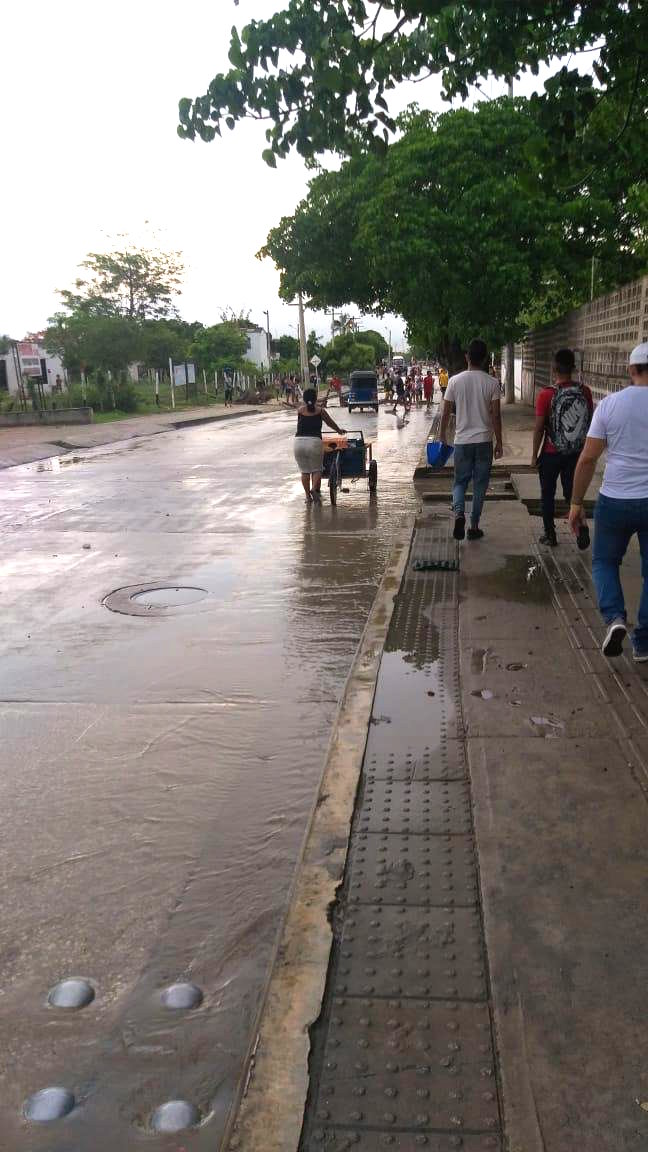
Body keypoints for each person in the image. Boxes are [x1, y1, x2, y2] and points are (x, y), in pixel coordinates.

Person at [568, 341, 648, 662]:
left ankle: (615, 618)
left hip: (614, 499)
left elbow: (587, 459)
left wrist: (576, 504)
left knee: (603, 562)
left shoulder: (609, 405)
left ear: (631, 370)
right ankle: (643, 643)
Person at [439, 337, 503, 541]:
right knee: (480, 485)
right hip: (484, 441)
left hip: (462, 441)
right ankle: (474, 526)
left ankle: (459, 513)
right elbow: (496, 415)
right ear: (484, 358)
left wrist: (442, 435)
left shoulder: (454, 381)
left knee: (459, 482)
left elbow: (446, 411)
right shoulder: (492, 383)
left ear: (467, 357)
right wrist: (499, 441)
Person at [531, 348, 593, 547]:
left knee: (547, 494)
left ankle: (550, 535)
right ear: (573, 368)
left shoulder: (546, 394)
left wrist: (534, 455)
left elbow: (539, 428)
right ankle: (582, 526)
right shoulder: (585, 391)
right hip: (575, 452)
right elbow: (588, 422)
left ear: (554, 367)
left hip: (551, 453)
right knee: (573, 494)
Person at [294, 386, 345, 503]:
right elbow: (330, 423)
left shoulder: (300, 411)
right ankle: (313, 489)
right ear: (316, 398)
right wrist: (339, 431)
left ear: (305, 399)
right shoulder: (320, 411)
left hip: (298, 443)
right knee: (317, 469)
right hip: (314, 442)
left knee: (305, 471)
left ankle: (307, 497)